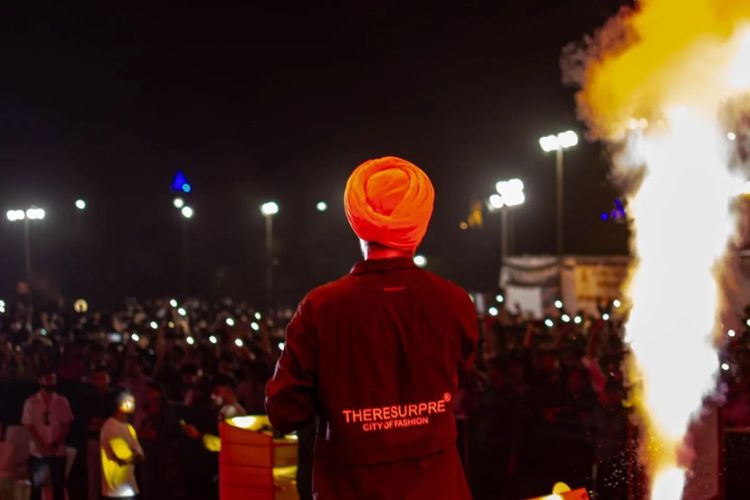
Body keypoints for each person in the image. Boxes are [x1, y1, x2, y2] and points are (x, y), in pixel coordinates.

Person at [266, 156, 478, 499]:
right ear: (419, 225)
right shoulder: (455, 302)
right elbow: (464, 379)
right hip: (438, 486)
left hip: (351, 488)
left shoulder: (321, 307)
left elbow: (284, 410)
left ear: (357, 222)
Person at [21, 368, 74, 500]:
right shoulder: (31, 402)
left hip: (58, 451)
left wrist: (56, 443)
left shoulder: (62, 401)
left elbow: (66, 424)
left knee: (59, 486)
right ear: (40, 380)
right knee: (36, 487)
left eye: (53, 379)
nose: (51, 382)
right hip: (38, 452)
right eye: (48, 379)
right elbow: (29, 426)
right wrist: (40, 445)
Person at [100, 391, 145, 500]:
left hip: (130, 487)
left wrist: (134, 456)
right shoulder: (111, 428)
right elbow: (125, 458)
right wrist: (134, 455)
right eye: (127, 399)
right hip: (116, 491)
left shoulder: (129, 428)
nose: (133, 402)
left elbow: (140, 455)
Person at [88, 367, 115, 500]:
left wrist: (101, 423)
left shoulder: (114, 397)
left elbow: (116, 420)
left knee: (109, 475)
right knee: (93, 476)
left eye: (103, 378)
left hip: (110, 441)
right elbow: (88, 420)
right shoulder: (89, 398)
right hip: (93, 439)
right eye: (98, 379)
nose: (101, 382)